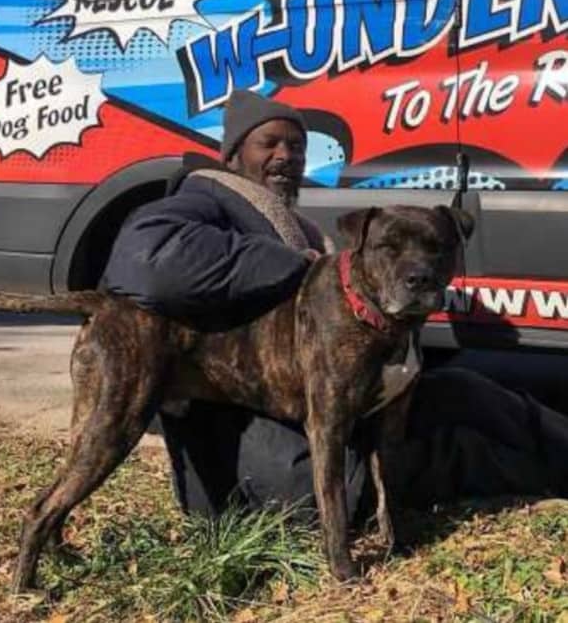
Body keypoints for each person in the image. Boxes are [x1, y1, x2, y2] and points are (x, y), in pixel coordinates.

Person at [102, 89, 568, 524]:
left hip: (332, 397)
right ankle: (512, 472)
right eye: (269, 144)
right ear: (232, 154)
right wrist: (291, 264)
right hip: (234, 422)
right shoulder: (200, 198)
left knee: (466, 392)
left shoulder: (298, 225)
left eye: (297, 146)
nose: (286, 156)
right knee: (346, 484)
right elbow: (144, 261)